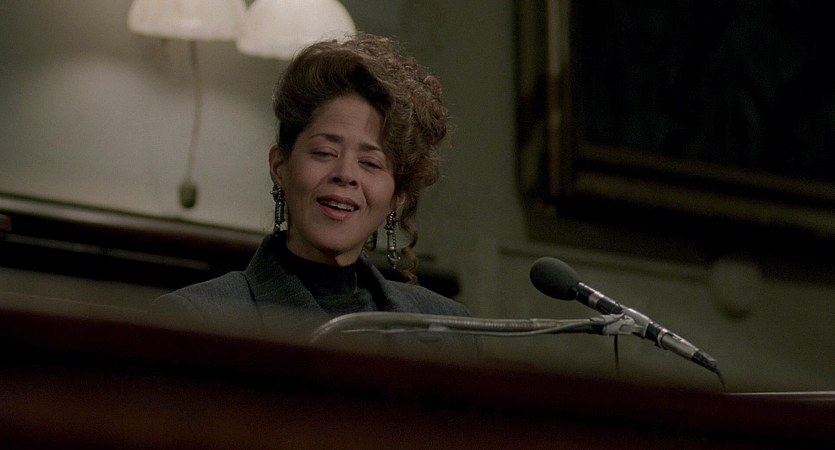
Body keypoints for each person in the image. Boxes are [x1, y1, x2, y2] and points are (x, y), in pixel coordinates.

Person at [147, 33, 479, 360]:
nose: (345, 174)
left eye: (370, 163)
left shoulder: (452, 331)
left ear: (397, 196)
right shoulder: (197, 320)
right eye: (324, 152)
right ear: (280, 166)